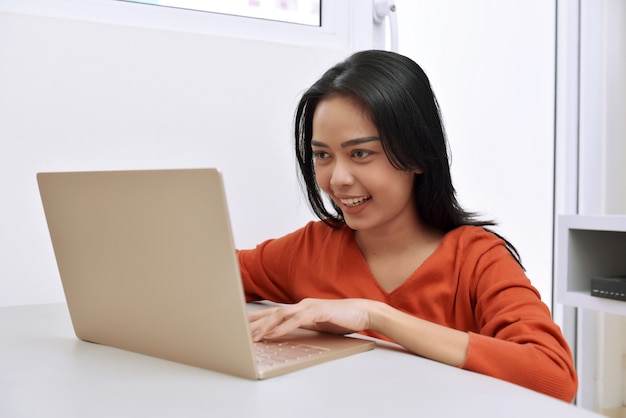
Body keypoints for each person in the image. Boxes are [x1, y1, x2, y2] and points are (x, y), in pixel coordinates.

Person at [237, 50, 577, 402]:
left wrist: (375, 315)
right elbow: (209, 276)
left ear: (415, 155)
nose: (337, 179)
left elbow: (554, 377)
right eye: (323, 155)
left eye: (360, 154)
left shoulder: (476, 259)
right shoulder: (309, 249)